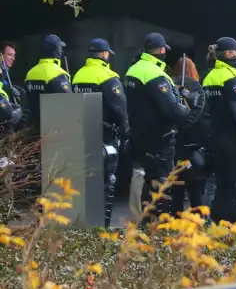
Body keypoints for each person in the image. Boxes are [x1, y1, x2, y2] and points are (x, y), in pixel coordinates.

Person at [125, 33, 191, 217]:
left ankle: (142, 222)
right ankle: (159, 231)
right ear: (162, 50)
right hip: (159, 139)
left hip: (138, 136)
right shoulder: (155, 73)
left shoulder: (133, 69)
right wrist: (186, 108)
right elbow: (172, 110)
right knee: (161, 185)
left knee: (143, 179)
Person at [72, 38, 129, 227]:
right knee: (107, 183)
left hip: (83, 135)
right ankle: (102, 229)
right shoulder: (108, 76)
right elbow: (120, 109)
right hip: (105, 137)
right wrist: (126, 133)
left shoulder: (78, 75)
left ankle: (85, 226)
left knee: (85, 183)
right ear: (105, 54)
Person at [202, 37, 236, 224]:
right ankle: (234, 228)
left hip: (215, 138)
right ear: (228, 53)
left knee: (221, 186)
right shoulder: (232, 77)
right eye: (235, 51)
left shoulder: (210, 76)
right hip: (234, 140)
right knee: (235, 188)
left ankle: (217, 225)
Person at [173, 54, 211, 213]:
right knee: (196, 189)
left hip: (176, 144)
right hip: (195, 147)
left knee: (176, 189)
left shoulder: (171, 88)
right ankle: (197, 220)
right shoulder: (199, 92)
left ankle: (175, 220)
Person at [21, 35, 72, 134]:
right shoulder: (58, 73)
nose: (61, 51)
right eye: (60, 48)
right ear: (56, 50)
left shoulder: (30, 73)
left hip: (33, 127)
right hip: (54, 130)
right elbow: (70, 104)